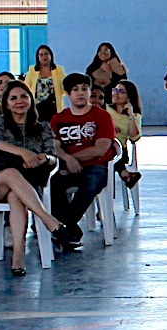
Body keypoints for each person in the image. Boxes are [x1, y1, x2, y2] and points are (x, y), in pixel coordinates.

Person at [0, 80, 63, 275]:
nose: (19, 101)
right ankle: (48, 220)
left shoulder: (43, 127)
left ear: (31, 100)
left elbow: (53, 158)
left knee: (16, 196)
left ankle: (18, 257)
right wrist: (23, 152)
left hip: (27, 184)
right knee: (12, 174)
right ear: (6, 103)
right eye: (13, 98)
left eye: (24, 96)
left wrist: (42, 159)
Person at [47, 72, 117, 252]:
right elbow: (54, 147)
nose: (80, 93)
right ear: (67, 94)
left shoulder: (102, 116)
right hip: (67, 168)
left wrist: (72, 158)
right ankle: (70, 232)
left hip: (96, 167)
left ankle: (62, 226)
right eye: (75, 90)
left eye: (84, 89)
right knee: (52, 182)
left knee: (92, 181)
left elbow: (100, 149)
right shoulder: (58, 119)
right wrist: (67, 159)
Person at [107, 81, 143, 189]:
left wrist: (131, 115)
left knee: (115, 150)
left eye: (121, 92)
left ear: (129, 97)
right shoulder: (106, 109)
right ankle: (125, 174)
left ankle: (125, 174)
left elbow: (134, 137)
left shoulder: (135, 116)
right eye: (115, 90)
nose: (116, 94)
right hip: (103, 143)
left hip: (119, 148)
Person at [24, 45, 68, 117]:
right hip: (37, 106)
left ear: (51, 55)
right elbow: (26, 87)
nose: (44, 56)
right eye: (41, 54)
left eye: (46, 54)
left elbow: (65, 86)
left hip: (54, 106)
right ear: (38, 57)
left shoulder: (59, 70)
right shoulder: (32, 70)